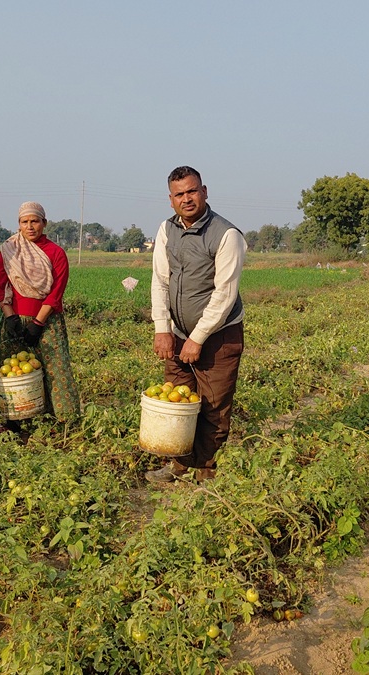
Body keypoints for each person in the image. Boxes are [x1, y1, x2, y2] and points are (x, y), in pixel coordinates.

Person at [146, 166, 247, 483]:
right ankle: (179, 463)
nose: (186, 199)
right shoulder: (167, 229)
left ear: (204, 192)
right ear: (171, 199)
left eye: (192, 191)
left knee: (213, 404)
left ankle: (206, 470)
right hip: (177, 333)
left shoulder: (226, 234)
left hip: (219, 335)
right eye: (179, 194)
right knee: (178, 397)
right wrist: (163, 328)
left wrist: (198, 337)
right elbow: (160, 281)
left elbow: (225, 294)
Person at [0, 201, 80, 427]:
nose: (30, 226)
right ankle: (14, 421)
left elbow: (56, 292)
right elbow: (1, 287)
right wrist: (10, 317)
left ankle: (63, 421)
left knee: (56, 371)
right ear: (19, 224)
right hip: (14, 320)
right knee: (12, 372)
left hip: (47, 321)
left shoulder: (56, 253)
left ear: (44, 223)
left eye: (35, 221)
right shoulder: (9, 250)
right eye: (25, 222)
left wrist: (38, 323)